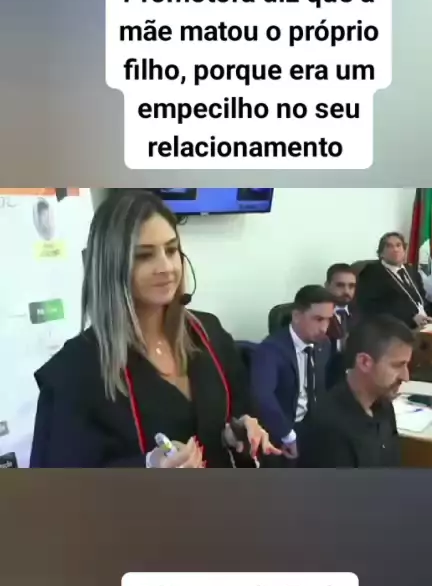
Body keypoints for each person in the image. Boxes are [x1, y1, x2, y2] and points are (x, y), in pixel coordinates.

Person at [30, 190, 280, 469]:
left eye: (171, 250)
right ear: (111, 266)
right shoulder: (76, 370)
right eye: (145, 256)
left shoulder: (208, 333)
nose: (166, 267)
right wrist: (149, 466)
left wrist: (236, 432)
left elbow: (236, 411)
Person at [305, 315, 414, 468]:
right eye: (397, 365)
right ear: (364, 362)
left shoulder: (383, 404)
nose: (406, 377)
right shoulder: (330, 429)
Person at [250, 285, 335, 462]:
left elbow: (323, 387)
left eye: (328, 320)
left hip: (315, 426)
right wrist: (288, 435)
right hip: (283, 430)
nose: (324, 328)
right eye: (318, 319)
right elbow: (262, 396)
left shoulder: (323, 344)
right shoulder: (270, 350)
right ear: (296, 316)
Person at [356, 232, 431, 329]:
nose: (395, 249)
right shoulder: (372, 272)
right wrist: (411, 318)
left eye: (398, 245)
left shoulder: (411, 271)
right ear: (381, 253)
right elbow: (373, 307)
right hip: (395, 328)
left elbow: (422, 299)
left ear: (404, 250)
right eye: (389, 246)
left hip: (425, 323)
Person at [325, 263, 357, 385]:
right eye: (340, 285)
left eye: (351, 286)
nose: (346, 291)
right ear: (327, 286)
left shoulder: (362, 314)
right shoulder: (318, 316)